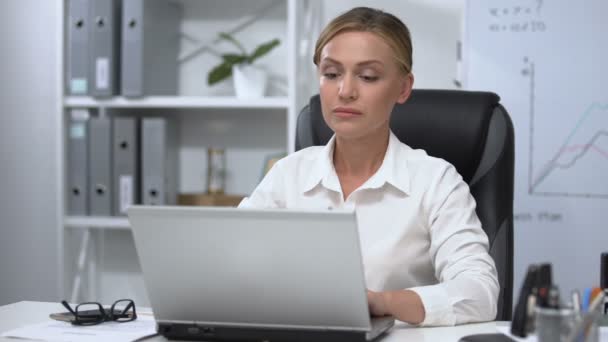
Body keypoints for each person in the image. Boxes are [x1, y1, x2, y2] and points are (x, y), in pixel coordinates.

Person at [239, 6, 499, 326]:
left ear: (403, 88)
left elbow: (480, 293)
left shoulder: (436, 181)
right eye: (331, 74)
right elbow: (232, 263)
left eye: (368, 77)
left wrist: (381, 302)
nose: (345, 91)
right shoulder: (287, 175)